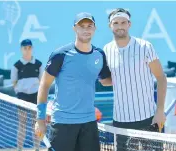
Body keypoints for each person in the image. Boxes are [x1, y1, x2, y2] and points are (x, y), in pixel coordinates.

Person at [35, 12, 111, 151]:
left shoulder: (99, 55)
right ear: (74, 28)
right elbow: (44, 85)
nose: (86, 29)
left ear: (94, 29)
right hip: (63, 123)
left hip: (89, 123)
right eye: (82, 26)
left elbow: (106, 81)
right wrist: (40, 119)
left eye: (89, 26)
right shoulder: (60, 55)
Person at [100, 8, 167, 150]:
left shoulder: (145, 47)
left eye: (123, 22)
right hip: (121, 122)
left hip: (149, 119)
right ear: (110, 26)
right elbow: (106, 81)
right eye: (116, 23)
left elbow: (161, 78)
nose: (120, 26)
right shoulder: (106, 50)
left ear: (129, 24)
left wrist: (160, 111)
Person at [11, 39, 43, 151]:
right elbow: (13, 82)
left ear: (32, 48)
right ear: (21, 49)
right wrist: (20, 92)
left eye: (29, 47)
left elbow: (42, 82)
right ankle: (19, 148)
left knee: (36, 123)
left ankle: (37, 148)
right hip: (22, 97)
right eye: (25, 48)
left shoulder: (39, 64)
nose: (27, 50)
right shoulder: (16, 65)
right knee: (22, 124)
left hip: (36, 97)